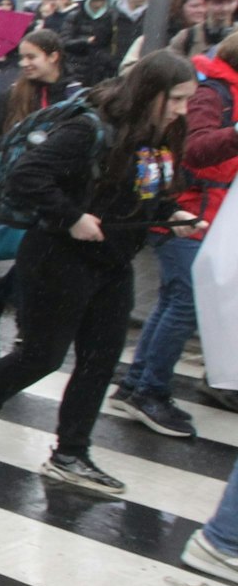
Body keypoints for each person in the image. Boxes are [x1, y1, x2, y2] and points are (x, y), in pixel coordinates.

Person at [0, 53, 204, 495]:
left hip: (112, 260)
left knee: (100, 360)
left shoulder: (160, 132)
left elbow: (146, 189)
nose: (182, 110)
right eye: (176, 99)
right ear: (150, 93)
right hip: (57, 257)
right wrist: (71, 217)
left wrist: (171, 212)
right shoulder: (88, 129)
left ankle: (71, 454)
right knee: (44, 356)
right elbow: (27, 177)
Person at [111, 34, 238, 438]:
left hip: (201, 214)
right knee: (186, 301)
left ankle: (136, 384)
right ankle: (148, 390)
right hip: (185, 212)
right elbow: (196, 149)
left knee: (176, 299)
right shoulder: (214, 92)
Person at [0, 29, 69, 330]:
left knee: (39, 255)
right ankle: (24, 324)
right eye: (22, 58)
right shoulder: (14, 94)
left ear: (53, 56)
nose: (25, 64)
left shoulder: (74, 95)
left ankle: (0, 299)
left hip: (59, 186)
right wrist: (15, 148)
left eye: (32, 57)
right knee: (35, 254)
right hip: (23, 186)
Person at [117, 0, 204, 76]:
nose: (201, 10)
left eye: (204, 5)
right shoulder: (158, 33)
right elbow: (128, 70)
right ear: (180, 8)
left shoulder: (208, 35)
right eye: (195, 6)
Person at [61, 0, 130, 86]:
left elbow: (116, 43)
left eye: (101, 0)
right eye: (95, 0)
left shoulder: (112, 17)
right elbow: (64, 41)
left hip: (102, 70)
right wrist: (85, 42)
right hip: (77, 69)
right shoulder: (75, 17)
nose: (98, 4)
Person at [171, 0, 237, 59]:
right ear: (205, 3)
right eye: (217, 2)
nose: (225, 8)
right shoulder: (187, 37)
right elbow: (170, 68)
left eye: (230, 2)